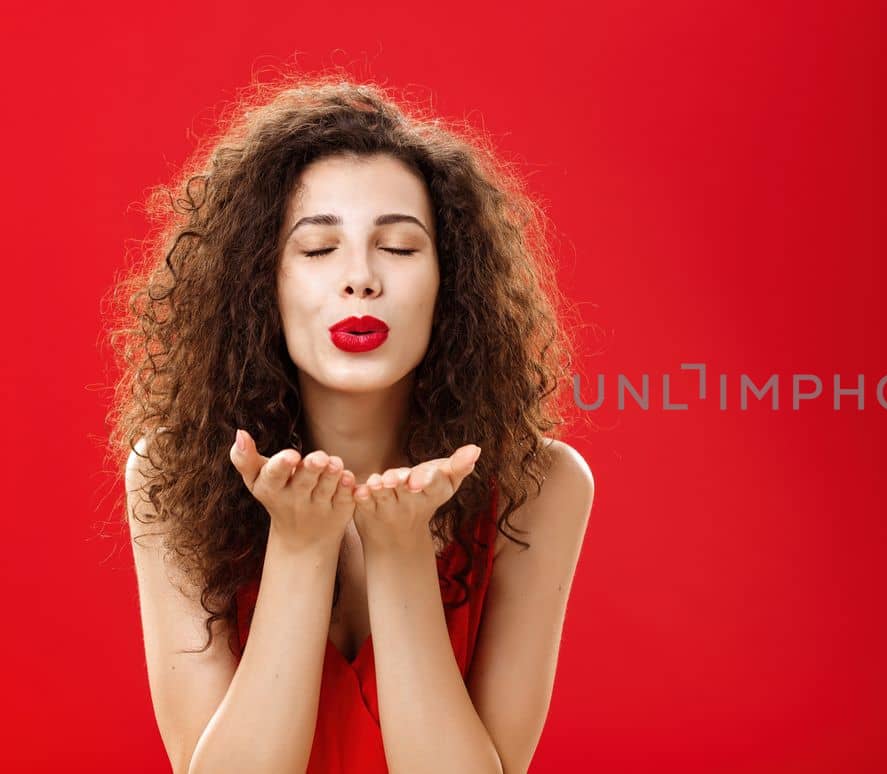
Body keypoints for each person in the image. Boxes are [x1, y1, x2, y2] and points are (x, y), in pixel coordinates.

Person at [107, 75, 594, 774]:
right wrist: (301, 548)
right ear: (259, 284)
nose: (361, 278)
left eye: (398, 247)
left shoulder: (541, 484)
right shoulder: (169, 470)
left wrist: (398, 552)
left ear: (449, 283)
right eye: (316, 250)